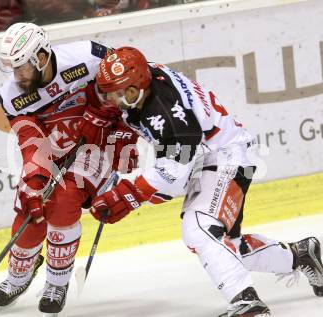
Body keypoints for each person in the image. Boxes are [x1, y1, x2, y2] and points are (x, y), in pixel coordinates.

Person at [89, 47, 323, 316]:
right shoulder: (145, 82)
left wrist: (130, 193)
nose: (114, 100)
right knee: (225, 247)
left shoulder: (168, 114)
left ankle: (248, 303)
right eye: (110, 92)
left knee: (199, 228)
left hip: (227, 156)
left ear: (138, 86)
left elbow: (177, 166)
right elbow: (174, 169)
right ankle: (300, 254)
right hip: (207, 155)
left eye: (120, 93)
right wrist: (138, 189)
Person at [0, 23, 138, 316]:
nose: (16, 76)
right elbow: (30, 139)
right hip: (52, 148)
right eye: (12, 69)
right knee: (29, 210)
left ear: (41, 58)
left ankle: (57, 283)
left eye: (21, 68)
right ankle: (18, 277)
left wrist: (116, 122)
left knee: (64, 201)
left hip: (94, 144)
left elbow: (125, 80)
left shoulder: (88, 56)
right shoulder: (12, 95)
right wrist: (35, 176)